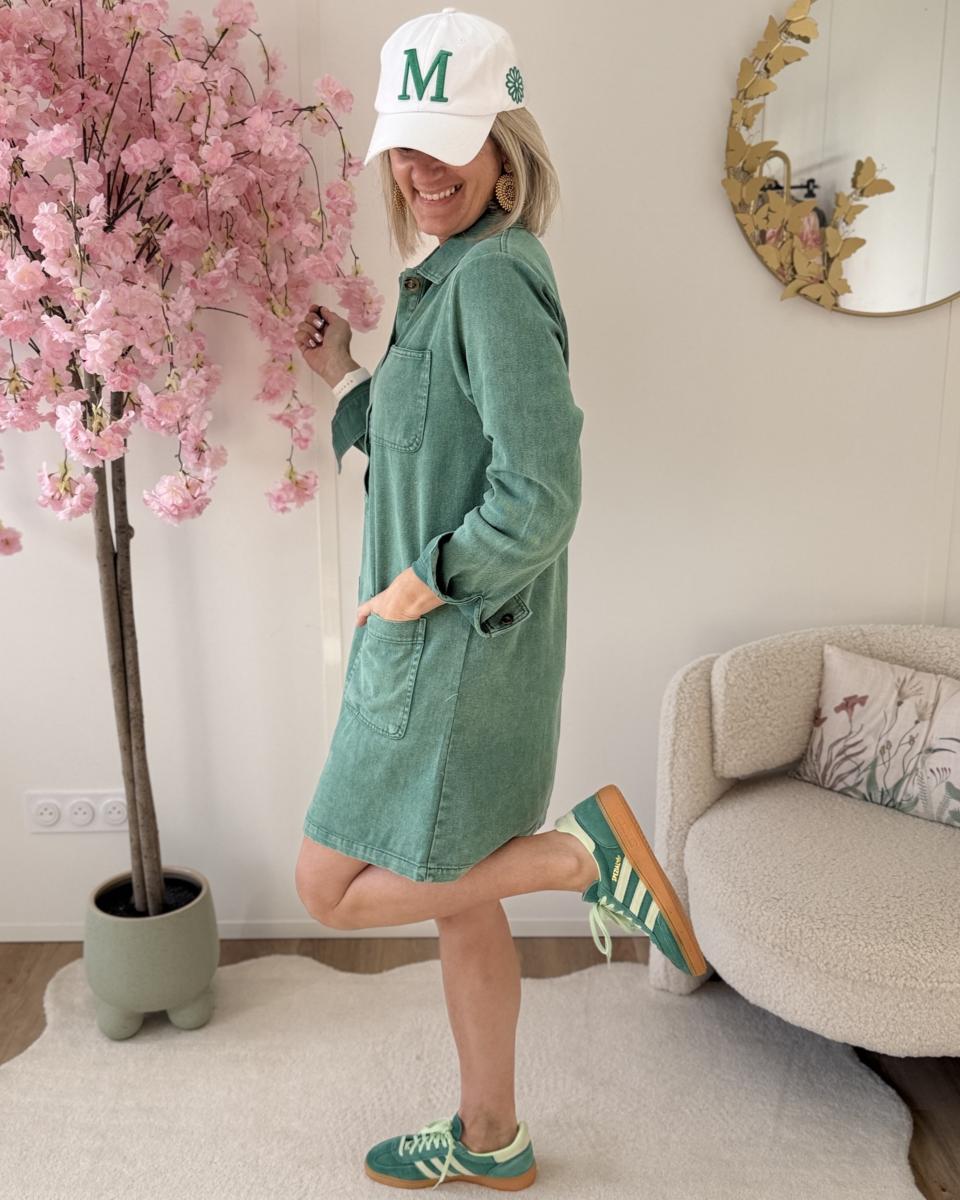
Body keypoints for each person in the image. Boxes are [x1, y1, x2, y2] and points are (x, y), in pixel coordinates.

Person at [293, 8, 708, 1190]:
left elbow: (540, 495)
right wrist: (349, 378)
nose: (424, 170)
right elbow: (432, 452)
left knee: (328, 888)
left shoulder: (493, 282)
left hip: (448, 655)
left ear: (505, 146)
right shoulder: (447, 279)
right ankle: (494, 1138)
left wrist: (428, 581)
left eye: (452, 143)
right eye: (406, 147)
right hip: (445, 647)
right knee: (459, 903)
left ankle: (578, 860)